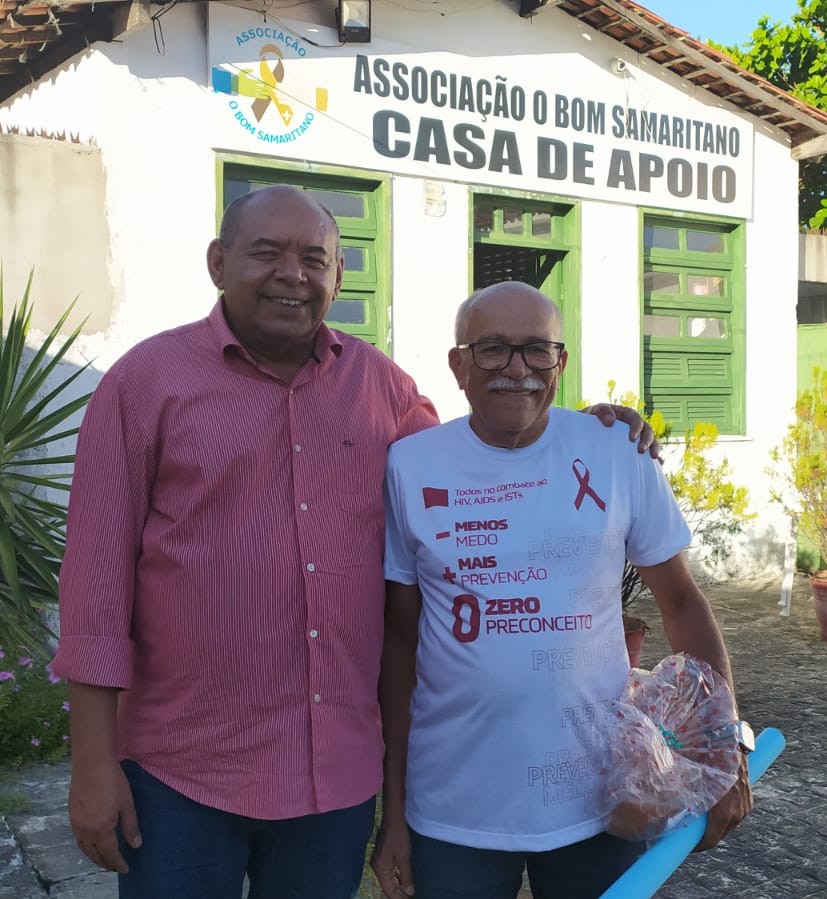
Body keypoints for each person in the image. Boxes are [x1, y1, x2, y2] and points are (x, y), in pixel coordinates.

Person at [52, 186, 654, 898]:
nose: (292, 274)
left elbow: (475, 471)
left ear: (338, 277)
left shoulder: (385, 390)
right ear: (218, 262)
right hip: (182, 774)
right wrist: (93, 761)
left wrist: (578, 430)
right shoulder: (144, 385)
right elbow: (95, 582)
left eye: (315, 258)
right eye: (266, 253)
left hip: (329, 780)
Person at [370, 282, 753, 899]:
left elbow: (681, 602)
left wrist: (722, 748)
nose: (517, 370)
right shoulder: (410, 466)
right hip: (455, 807)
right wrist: (394, 808)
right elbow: (399, 641)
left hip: (604, 801)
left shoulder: (616, 450)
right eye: (493, 349)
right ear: (458, 365)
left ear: (561, 362)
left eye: (537, 351)